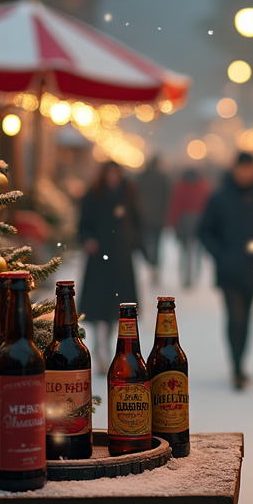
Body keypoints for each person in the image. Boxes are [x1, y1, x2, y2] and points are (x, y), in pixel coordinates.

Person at [198, 151, 253, 390]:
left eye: (249, 168)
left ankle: (240, 362)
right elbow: (205, 231)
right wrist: (221, 255)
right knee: (235, 319)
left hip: (252, 271)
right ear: (234, 169)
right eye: (241, 168)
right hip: (228, 273)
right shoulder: (220, 198)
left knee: (245, 320)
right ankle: (236, 366)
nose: (245, 173)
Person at [77, 160, 143, 370]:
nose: (113, 178)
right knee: (99, 306)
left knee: (119, 308)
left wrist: (132, 241)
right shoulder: (93, 195)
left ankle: (118, 351)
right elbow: (83, 225)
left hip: (121, 259)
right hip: (99, 261)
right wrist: (88, 240)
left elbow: (137, 222)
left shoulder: (128, 194)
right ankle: (100, 348)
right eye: (109, 174)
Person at [166, 167, 212, 288]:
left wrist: (173, 221)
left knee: (184, 251)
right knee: (196, 251)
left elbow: (176, 204)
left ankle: (185, 275)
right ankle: (195, 275)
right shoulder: (203, 186)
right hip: (199, 221)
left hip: (184, 221)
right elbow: (209, 205)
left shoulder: (180, 186)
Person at [135, 155, 170, 283]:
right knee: (157, 244)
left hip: (145, 217)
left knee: (149, 243)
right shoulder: (162, 178)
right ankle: (155, 266)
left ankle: (151, 265)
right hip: (158, 217)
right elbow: (167, 197)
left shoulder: (141, 178)